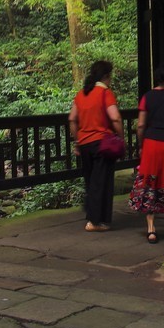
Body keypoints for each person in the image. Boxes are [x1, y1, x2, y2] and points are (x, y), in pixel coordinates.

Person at [128, 61, 164, 243]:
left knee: (150, 184)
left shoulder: (147, 97)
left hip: (152, 144)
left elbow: (141, 125)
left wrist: (141, 143)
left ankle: (151, 229)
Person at [68, 60, 123, 232]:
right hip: (102, 143)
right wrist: (121, 137)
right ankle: (96, 221)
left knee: (91, 181)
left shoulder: (81, 94)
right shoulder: (105, 93)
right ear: (106, 76)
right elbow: (115, 118)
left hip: (85, 144)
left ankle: (93, 217)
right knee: (103, 182)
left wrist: (77, 140)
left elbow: (72, 119)